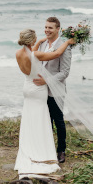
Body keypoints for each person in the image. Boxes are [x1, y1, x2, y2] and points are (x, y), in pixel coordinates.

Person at [14, 28, 74, 179]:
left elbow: (30, 55)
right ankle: (42, 151)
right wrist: (67, 42)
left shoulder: (18, 53)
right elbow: (56, 54)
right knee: (41, 119)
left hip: (27, 88)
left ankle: (28, 148)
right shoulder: (36, 54)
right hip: (38, 89)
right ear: (32, 41)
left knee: (30, 119)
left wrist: (39, 41)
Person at [33, 17, 71, 163]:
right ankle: (46, 149)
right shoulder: (42, 44)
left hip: (56, 90)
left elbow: (65, 72)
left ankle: (61, 150)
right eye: (46, 27)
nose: (47, 30)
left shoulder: (65, 46)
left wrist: (47, 80)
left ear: (58, 29)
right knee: (45, 120)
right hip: (41, 90)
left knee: (58, 121)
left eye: (50, 28)